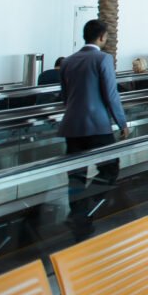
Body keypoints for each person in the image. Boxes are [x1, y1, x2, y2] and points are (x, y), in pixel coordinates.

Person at [58, 19, 129, 240]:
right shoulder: (103, 59)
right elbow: (111, 94)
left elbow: (64, 96)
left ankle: (78, 214)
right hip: (98, 127)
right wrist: (122, 123)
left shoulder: (68, 61)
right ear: (101, 37)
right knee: (110, 169)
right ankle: (84, 211)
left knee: (76, 175)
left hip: (71, 126)